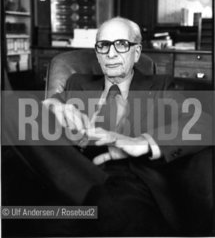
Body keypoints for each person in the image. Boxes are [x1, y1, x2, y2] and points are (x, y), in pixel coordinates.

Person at [2, 17, 213, 236]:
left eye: (121, 45)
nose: (110, 54)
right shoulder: (77, 82)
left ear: (137, 52)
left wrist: (142, 142)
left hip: (127, 179)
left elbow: (204, 122)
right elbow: (28, 113)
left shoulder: (160, 87)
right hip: (73, 169)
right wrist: (53, 105)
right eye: (103, 46)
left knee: (107, 211)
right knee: (8, 106)